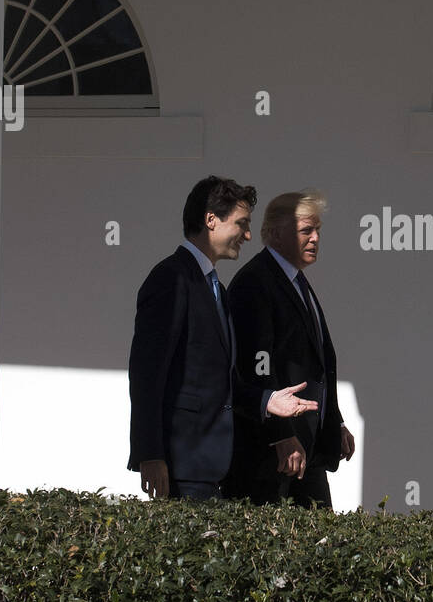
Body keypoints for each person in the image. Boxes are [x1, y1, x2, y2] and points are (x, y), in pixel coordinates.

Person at [127, 176, 318, 501]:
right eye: (241, 224)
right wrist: (150, 454)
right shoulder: (171, 279)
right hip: (181, 466)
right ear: (211, 220)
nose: (247, 235)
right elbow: (147, 374)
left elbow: (223, 379)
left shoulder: (213, 286)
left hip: (212, 468)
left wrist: (266, 401)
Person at [224, 190, 355, 508]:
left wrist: (334, 422)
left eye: (318, 231)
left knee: (320, 547)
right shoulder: (256, 282)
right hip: (272, 453)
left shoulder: (297, 282)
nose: (315, 238)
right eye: (306, 230)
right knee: (267, 549)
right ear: (277, 232)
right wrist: (280, 434)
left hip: (305, 446)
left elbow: (319, 364)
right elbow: (257, 368)